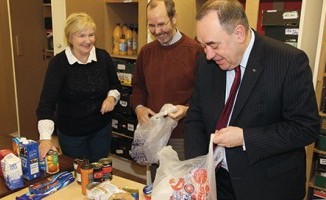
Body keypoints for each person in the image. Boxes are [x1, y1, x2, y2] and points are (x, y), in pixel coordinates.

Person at [184, 0, 320, 199]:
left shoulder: (289, 62)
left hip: (268, 186)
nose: (208, 55)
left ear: (238, 33)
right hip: (218, 182)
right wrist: (198, 169)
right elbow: (195, 115)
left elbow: (306, 128)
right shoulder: (207, 64)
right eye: (203, 45)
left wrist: (245, 138)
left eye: (213, 45)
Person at [131, 0, 203, 180]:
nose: (157, 31)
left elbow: (207, 97)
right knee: (159, 184)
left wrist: (187, 110)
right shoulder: (146, 52)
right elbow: (138, 86)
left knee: (183, 186)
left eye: (162, 24)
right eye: (151, 26)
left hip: (183, 136)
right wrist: (139, 106)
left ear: (174, 18)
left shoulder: (196, 51)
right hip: (155, 135)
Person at [36, 12, 121, 163]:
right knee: (79, 176)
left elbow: (115, 85)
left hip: (101, 130)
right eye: (81, 35)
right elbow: (46, 103)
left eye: (91, 35)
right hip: (72, 135)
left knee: (100, 173)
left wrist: (111, 97)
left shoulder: (103, 57)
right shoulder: (58, 64)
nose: (88, 41)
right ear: (70, 38)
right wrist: (45, 138)